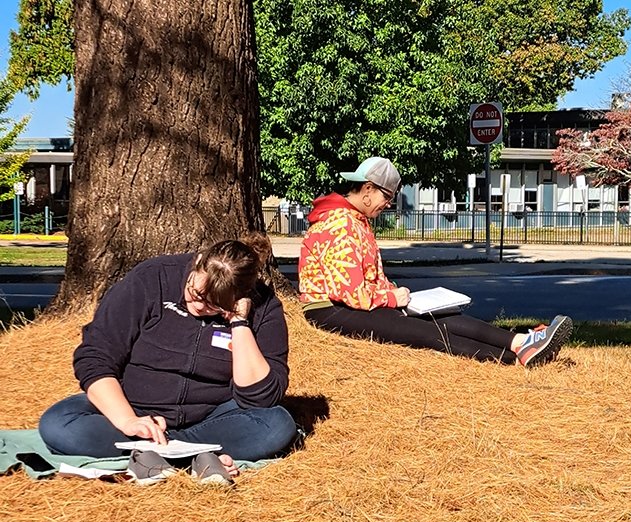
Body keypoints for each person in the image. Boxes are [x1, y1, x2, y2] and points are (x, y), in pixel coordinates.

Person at [39, 234, 298, 485]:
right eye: (196, 294)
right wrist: (129, 421)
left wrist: (239, 322)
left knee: (276, 425)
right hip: (135, 410)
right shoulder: (152, 278)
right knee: (58, 422)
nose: (200, 307)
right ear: (197, 263)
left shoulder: (264, 307)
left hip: (211, 417)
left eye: (216, 306)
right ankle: (196, 455)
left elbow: (260, 397)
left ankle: (161, 453)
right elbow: (95, 356)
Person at [298, 156, 573, 366]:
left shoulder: (356, 221)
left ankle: (521, 342)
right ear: (367, 189)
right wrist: (393, 298)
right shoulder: (339, 224)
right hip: (329, 311)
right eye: (387, 196)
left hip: (356, 305)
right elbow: (350, 293)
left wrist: (392, 294)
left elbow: (365, 281)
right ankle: (512, 360)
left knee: (443, 315)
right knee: (424, 333)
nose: (388, 204)